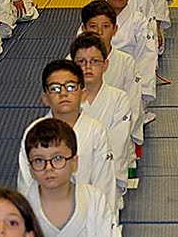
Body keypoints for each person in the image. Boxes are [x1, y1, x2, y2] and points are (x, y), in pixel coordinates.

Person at [17, 60, 118, 206]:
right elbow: (26, 184)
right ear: (45, 97)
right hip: (42, 212)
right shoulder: (33, 131)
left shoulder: (96, 131)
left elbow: (104, 183)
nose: (63, 93)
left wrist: (103, 216)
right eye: (55, 88)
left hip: (87, 211)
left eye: (70, 87)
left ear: (83, 93)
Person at [72, 32, 136, 189]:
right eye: (81, 62)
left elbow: (118, 146)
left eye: (94, 61)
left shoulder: (119, 99)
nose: (87, 67)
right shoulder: (67, 101)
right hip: (72, 179)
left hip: (109, 180)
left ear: (105, 64)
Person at [81, 0, 144, 140]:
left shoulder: (126, 62)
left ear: (115, 29)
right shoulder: (71, 63)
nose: (99, 32)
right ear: (84, 29)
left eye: (105, 26)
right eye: (93, 26)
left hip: (118, 132)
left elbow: (133, 105)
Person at [99, 0, 158, 108]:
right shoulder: (93, 21)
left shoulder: (139, 22)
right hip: (96, 86)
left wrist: (141, 96)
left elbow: (147, 59)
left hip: (129, 87)